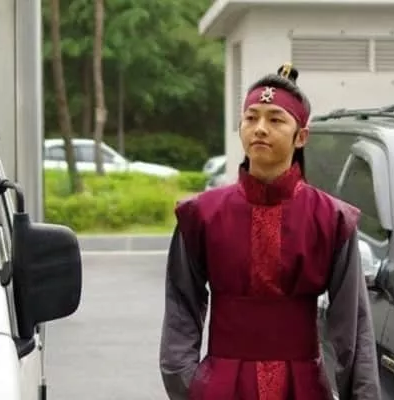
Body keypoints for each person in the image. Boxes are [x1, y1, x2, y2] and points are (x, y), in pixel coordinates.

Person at [159, 63, 381, 400]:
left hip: (303, 388)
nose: (260, 129)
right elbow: (181, 307)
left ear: (301, 136)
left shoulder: (332, 220)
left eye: (276, 120)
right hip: (220, 387)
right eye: (251, 118)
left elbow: (353, 327)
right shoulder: (201, 215)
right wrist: (189, 384)